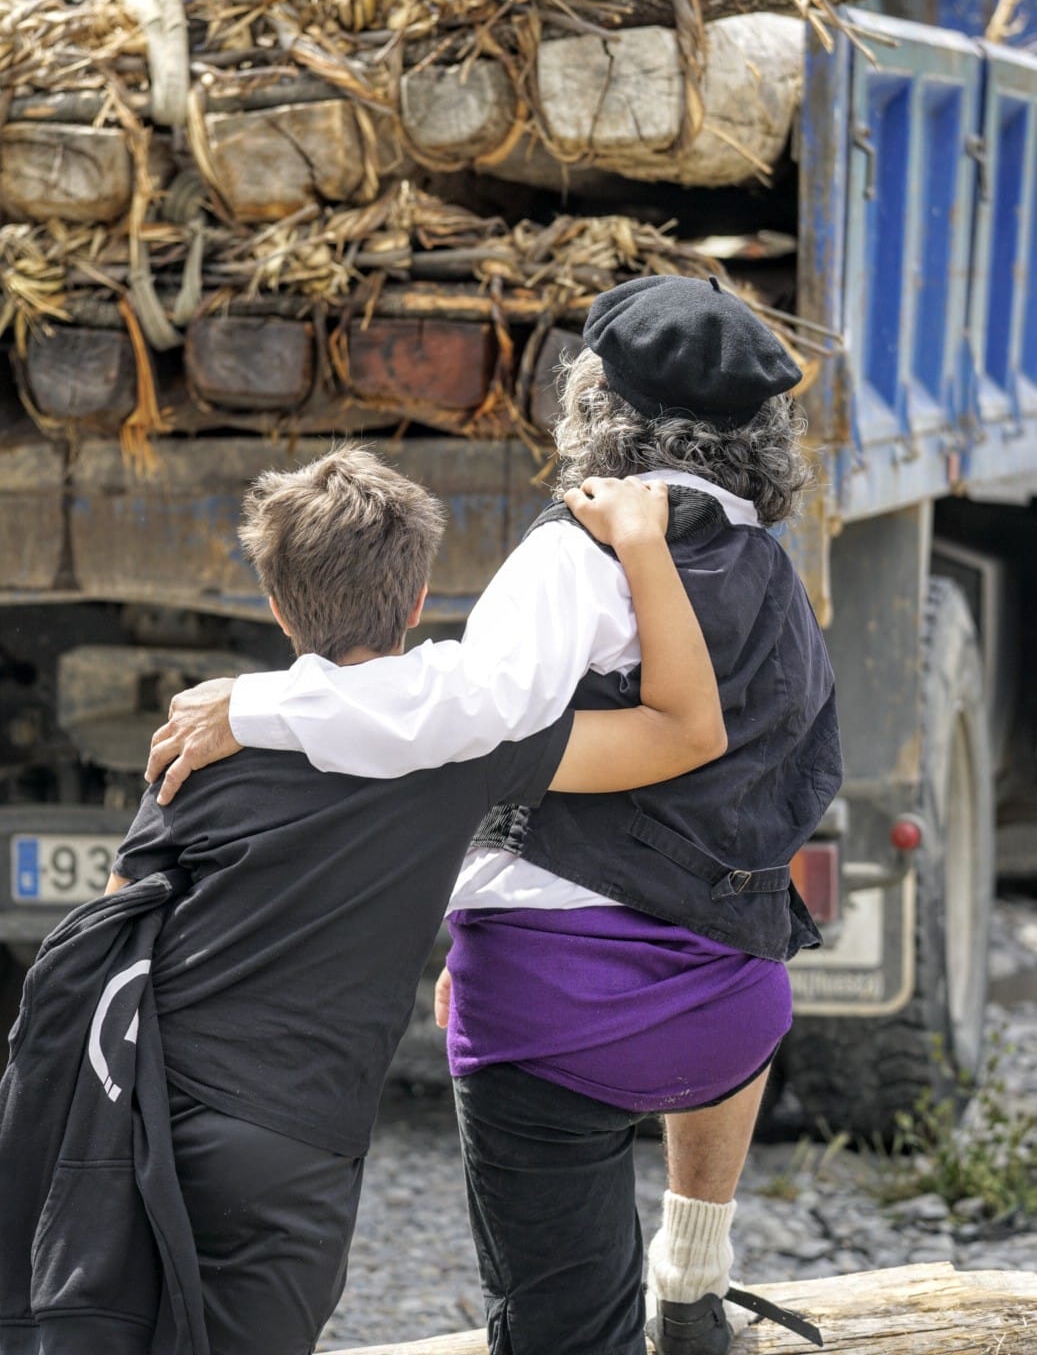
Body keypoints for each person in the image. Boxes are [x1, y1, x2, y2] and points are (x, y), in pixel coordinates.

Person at [147, 276, 842, 1355]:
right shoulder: (770, 576)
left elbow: (464, 708)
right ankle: (693, 1273)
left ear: (594, 407)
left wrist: (257, 700)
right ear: (760, 432)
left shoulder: (581, 550)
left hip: (558, 1013)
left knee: (563, 1333)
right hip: (734, 1019)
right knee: (726, 932)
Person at [6, 445, 723, 1355]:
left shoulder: (206, 738)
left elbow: (106, 931)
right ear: (419, 601)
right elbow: (685, 730)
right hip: (289, 1138)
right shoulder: (466, 744)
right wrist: (644, 549)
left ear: (273, 603)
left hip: (144, 1106)